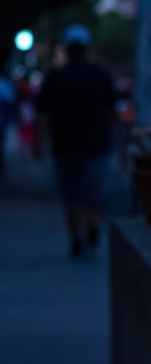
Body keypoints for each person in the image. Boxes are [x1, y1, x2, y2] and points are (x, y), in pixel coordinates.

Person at [34, 25, 118, 258]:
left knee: (71, 198)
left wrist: (38, 144)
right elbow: (113, 112)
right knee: (93, 195)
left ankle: (77, 239)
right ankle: (91, 231)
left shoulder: (55, 77)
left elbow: (42, 115)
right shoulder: (100, 75)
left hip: (65, 147)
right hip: (96, 146)